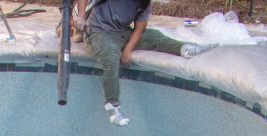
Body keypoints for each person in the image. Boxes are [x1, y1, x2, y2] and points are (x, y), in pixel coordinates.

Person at [76, 0, 215, 126]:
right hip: (97, 32)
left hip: (121, 33)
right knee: (111, 57)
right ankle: (113, 107)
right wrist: (81, 17)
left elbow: (139, 29)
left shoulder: (144, 4)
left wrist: (128, 50)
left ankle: (185, 49)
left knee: (153, 36)